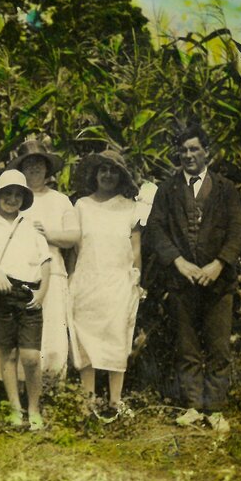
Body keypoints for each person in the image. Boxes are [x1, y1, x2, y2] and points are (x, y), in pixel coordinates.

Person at [147, 124, 241, 433]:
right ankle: (191, 406)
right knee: (186, 346)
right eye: (184, 150)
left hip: (218, 283)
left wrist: (219, 263)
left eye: (195, 150)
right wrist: (178, 262)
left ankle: (214, 409)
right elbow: (156, 230)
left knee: (218, 348)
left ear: (207, 153)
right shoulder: (167, 189)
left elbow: (238, 231)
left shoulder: (226, 189)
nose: (189, 155)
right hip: (182, 281)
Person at [0, 170, 52, 430]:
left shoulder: (31, 225)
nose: (12, 199)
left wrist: (41, 294)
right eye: (8, 194)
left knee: (30, 356)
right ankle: (16, 409)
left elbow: (45, 262)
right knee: (7, 354)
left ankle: (34, 409)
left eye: (18, 195)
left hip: (28, 295)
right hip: (2, 297)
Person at [69, 149, 144, 419]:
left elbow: (135, 249)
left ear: (121, 176)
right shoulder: (82, 206)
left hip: (118, 282)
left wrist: (136, 279)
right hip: (87, 280)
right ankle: (87, 401)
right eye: (103, 170)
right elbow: (75, 248)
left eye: (114, 171)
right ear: (95, 174)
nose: (108, 175)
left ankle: (115, 401)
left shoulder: (130, 207)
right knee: (85, 340)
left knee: (117, 339)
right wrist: (73, 278)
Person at [6, 138, 79, 378]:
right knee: (21, 330)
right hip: (19, 274)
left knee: (53, 329)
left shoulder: (60, 201)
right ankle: (21, 385)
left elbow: (73, 236)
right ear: (21, 169)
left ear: (47, 168)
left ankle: (53, 384)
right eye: (28, 165)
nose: (34, 169)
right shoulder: (12, 199)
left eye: (39, 163)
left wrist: (48, 234)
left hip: (54, 271)